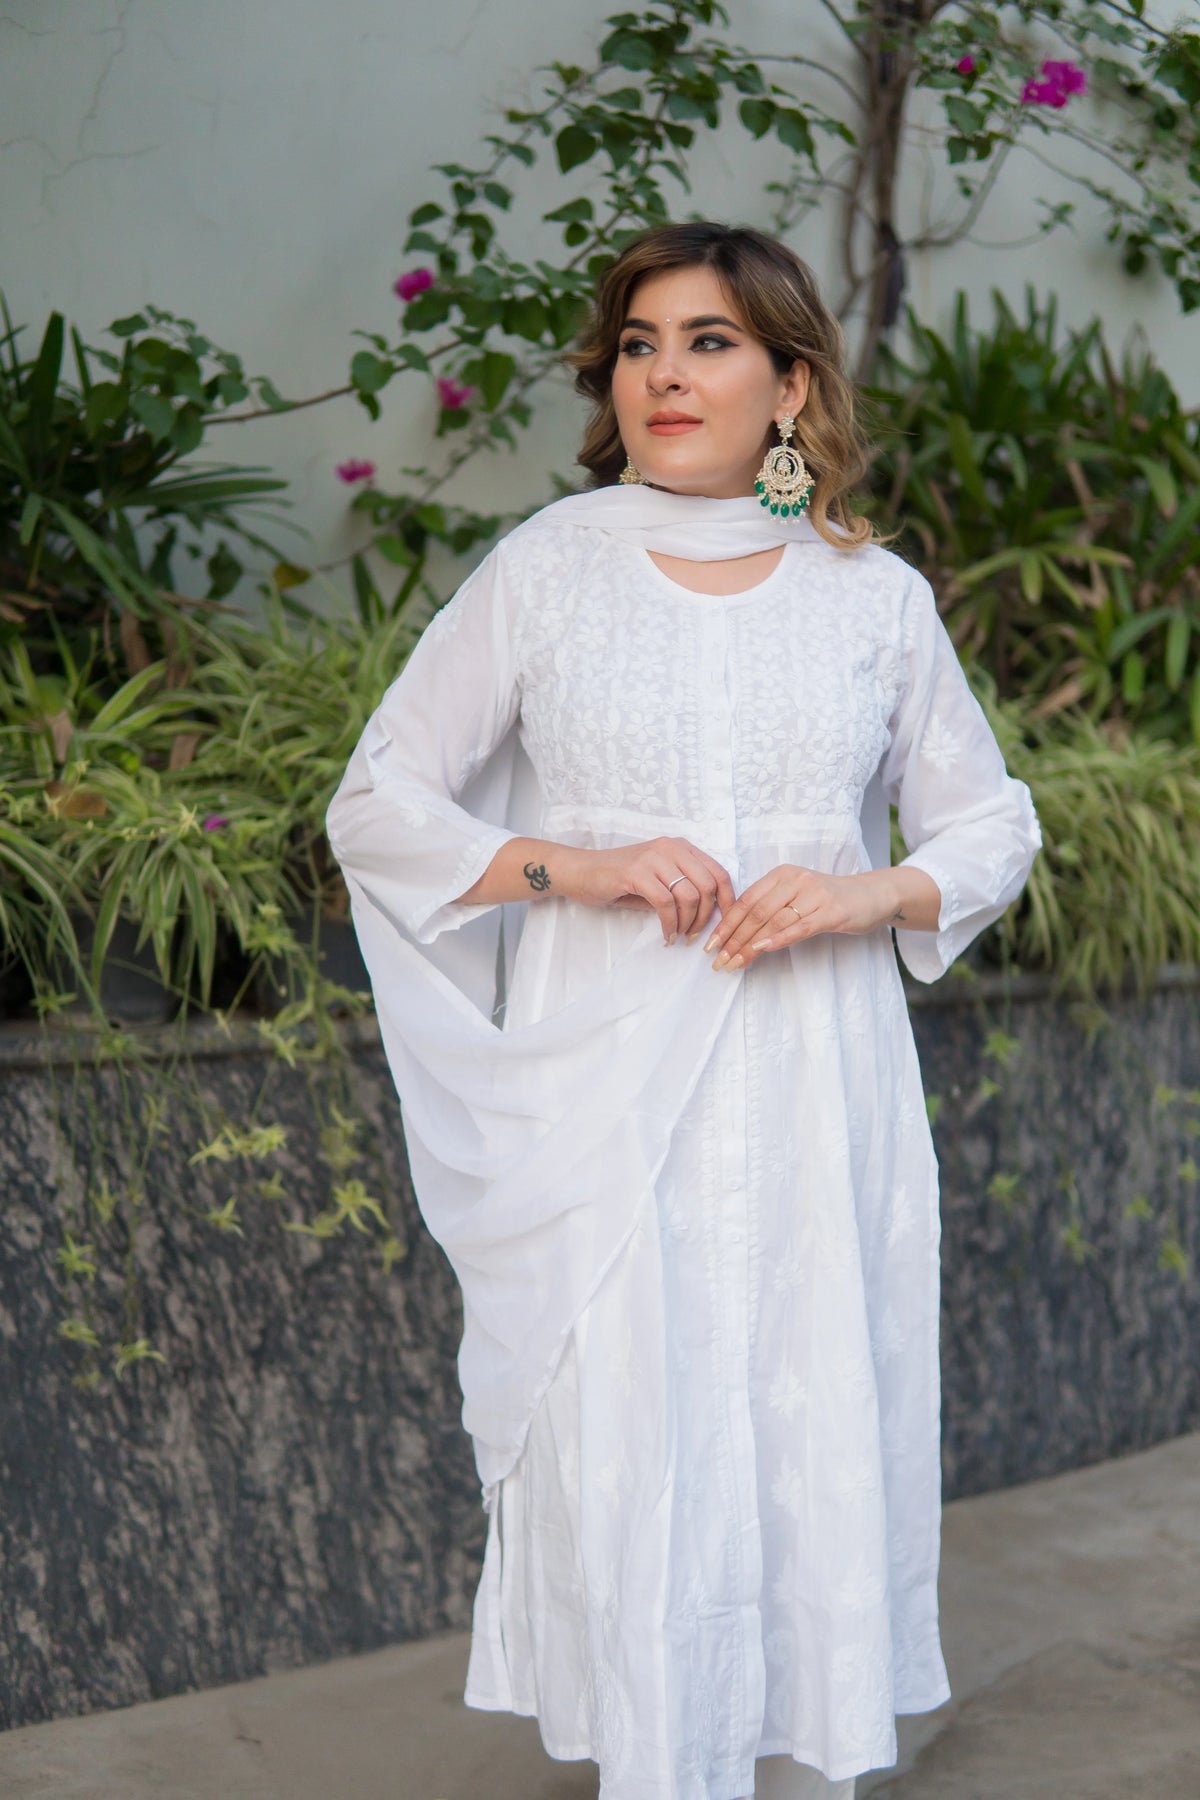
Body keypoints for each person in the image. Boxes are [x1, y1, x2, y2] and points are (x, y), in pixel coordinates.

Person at [325, 220, 1041, 1800]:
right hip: (600, 1086)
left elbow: (993, 824)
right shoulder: (545, 572)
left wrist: (859, 892)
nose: (663, 372)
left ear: (792, 383)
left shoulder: (871, 598)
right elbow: (376, 804)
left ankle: (790, 1745)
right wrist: (570, 867)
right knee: (635, 1417)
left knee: (800, 1394)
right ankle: (661, 1757)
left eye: (709, 342)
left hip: (812, 1076)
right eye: (641, 341)